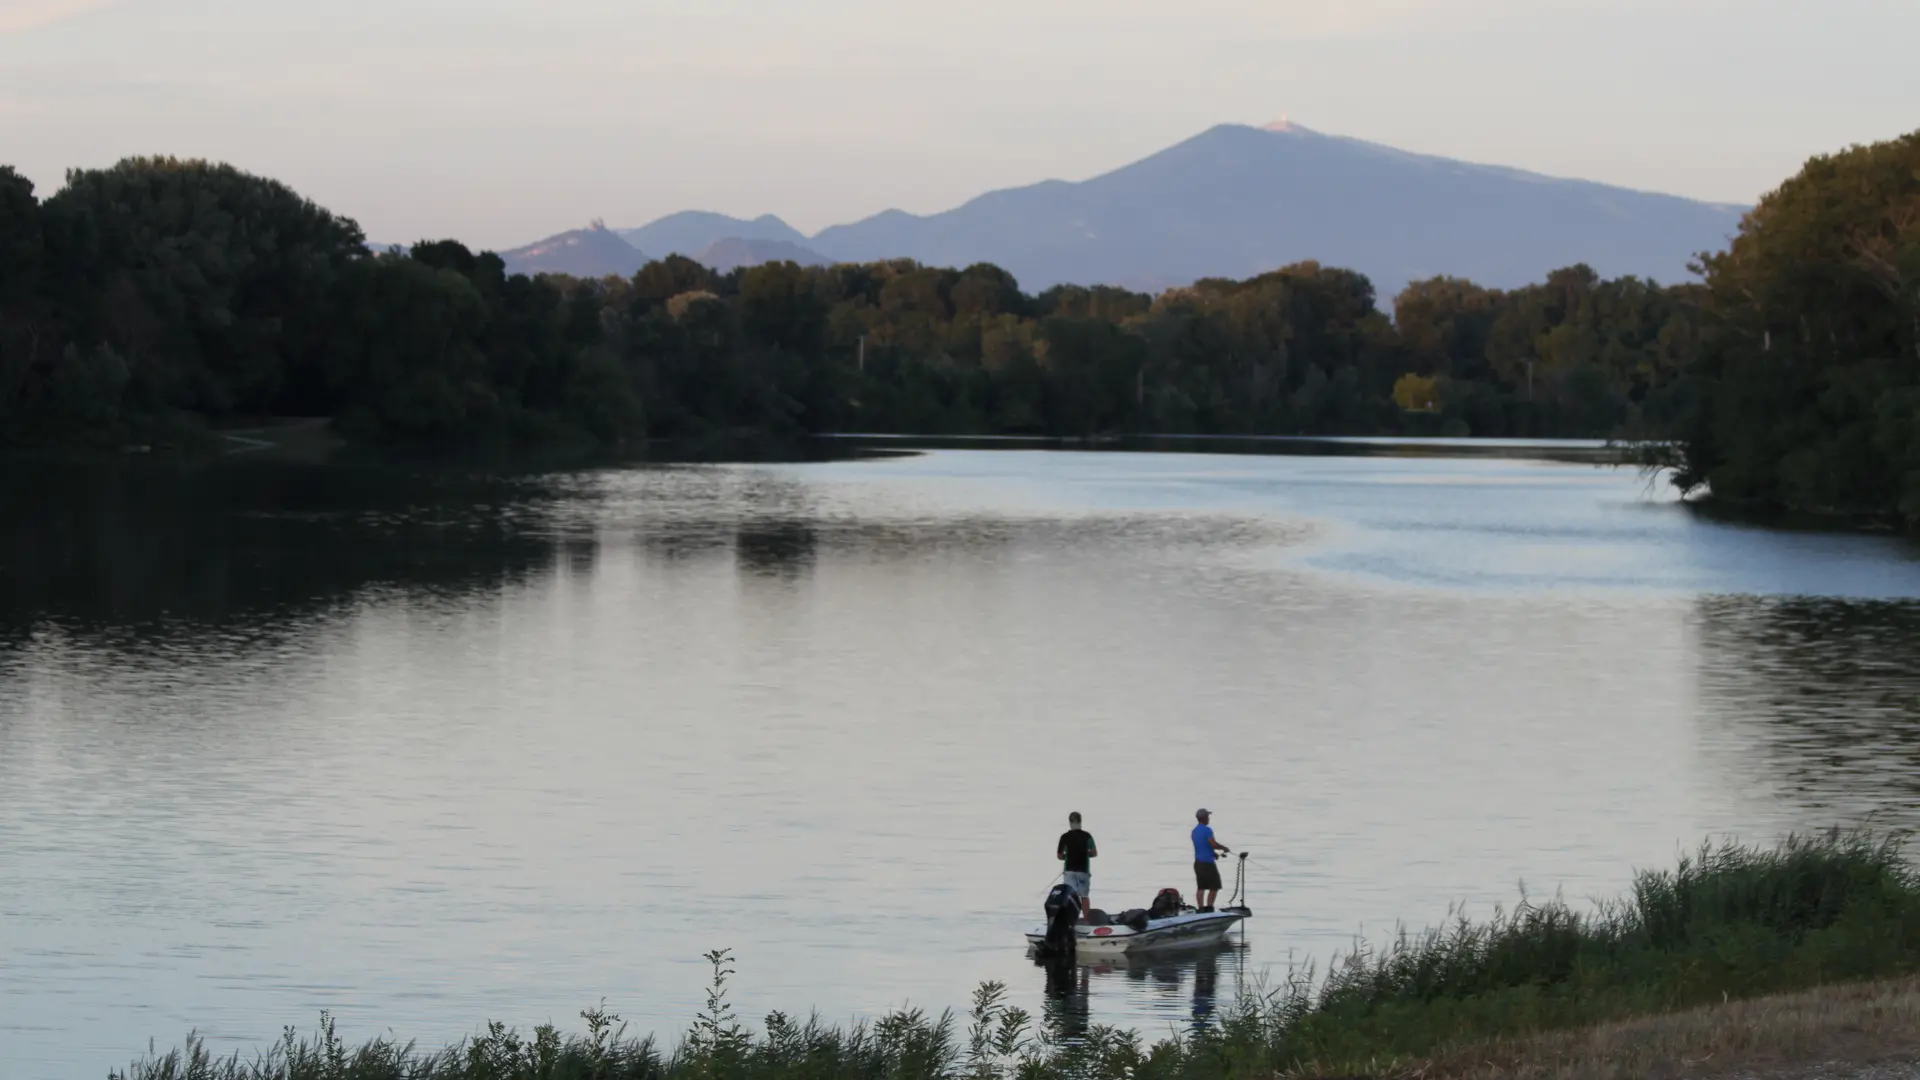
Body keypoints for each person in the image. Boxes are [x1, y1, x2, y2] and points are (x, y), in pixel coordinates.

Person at [1057, 811, 1097, 919]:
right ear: (1080, 821)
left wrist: (1068, 856)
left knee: (1069, 896)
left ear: (1070, 822)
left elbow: (1059, 856)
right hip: (1083, 871)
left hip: (1069, 871)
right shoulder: (1087, 836)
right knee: (1084, 897)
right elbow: (1094, 853)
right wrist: (1085, 854)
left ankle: (1070, 921)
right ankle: (1087, 921)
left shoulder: (1064, 837)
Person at [1191, 808, 1229, 912]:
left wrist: (1213, 854)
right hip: (1207, 864)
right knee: (1214, 886)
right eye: (1208, 817)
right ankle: (1209, 908)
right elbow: (1212, 844)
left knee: (1201, 887)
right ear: (1204, 818)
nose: (1209, 819)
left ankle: (1201, 908)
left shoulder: (1194, 831)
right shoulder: (1207, 830)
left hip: (1198, 863)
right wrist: (1223, 848)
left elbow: (1202, 846)